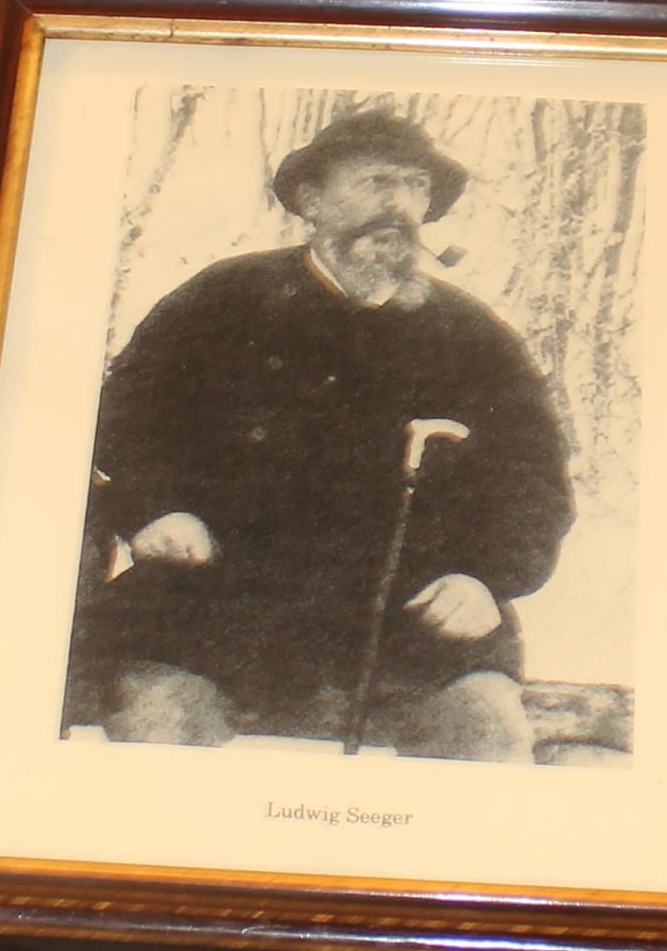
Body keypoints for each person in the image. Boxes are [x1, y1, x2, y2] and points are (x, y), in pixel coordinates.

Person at [70, 108, 573, 760]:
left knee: (487, 737)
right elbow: (120, 422)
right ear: (311, 200)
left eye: (415, 187)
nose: (398, 205)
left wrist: (484, 578)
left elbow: (536, 486)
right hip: (211, 608)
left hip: (413, 626)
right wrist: (154, 509)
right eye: (375, 182)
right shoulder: (221, 303)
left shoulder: (474, 338)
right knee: (159, 732)